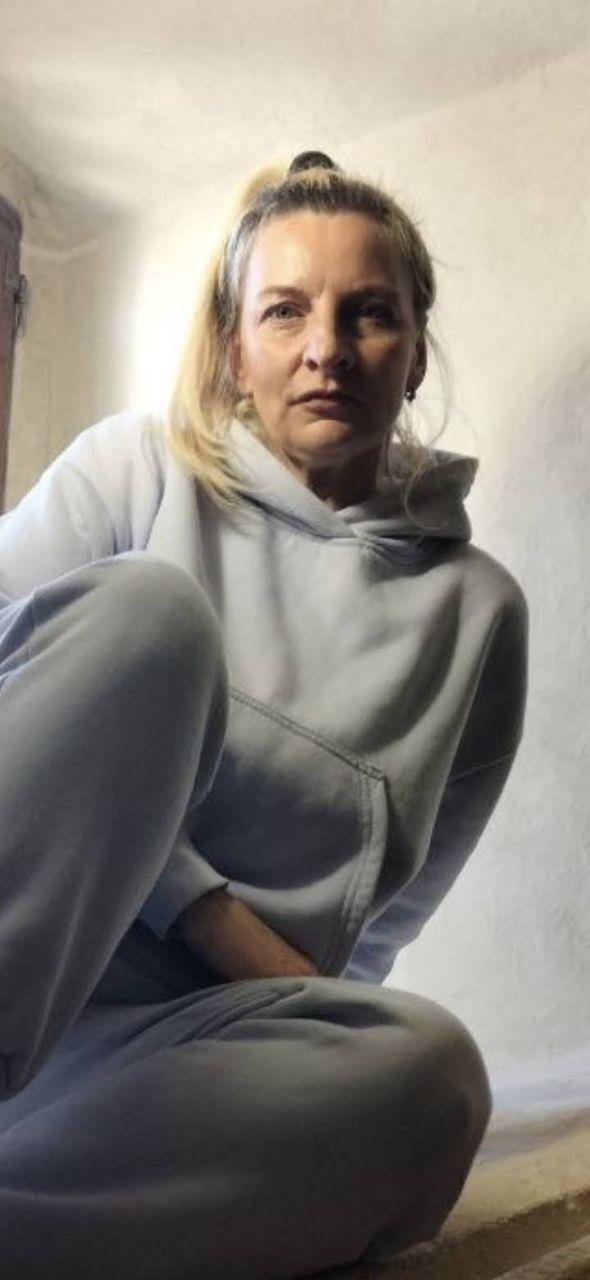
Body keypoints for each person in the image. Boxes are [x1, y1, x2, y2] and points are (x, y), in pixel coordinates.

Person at [0, 151, 528, 1278]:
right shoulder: (135, 467)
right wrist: (203, 908)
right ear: (235, 349)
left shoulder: (478, 616)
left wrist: (291, 1041)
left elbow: (370, 943)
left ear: (414, 352)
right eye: (284, 311)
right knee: (149, 618)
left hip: (167, 1068)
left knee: (431, 1075)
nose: (326, 347)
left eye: (368, 313)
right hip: (24, 972)